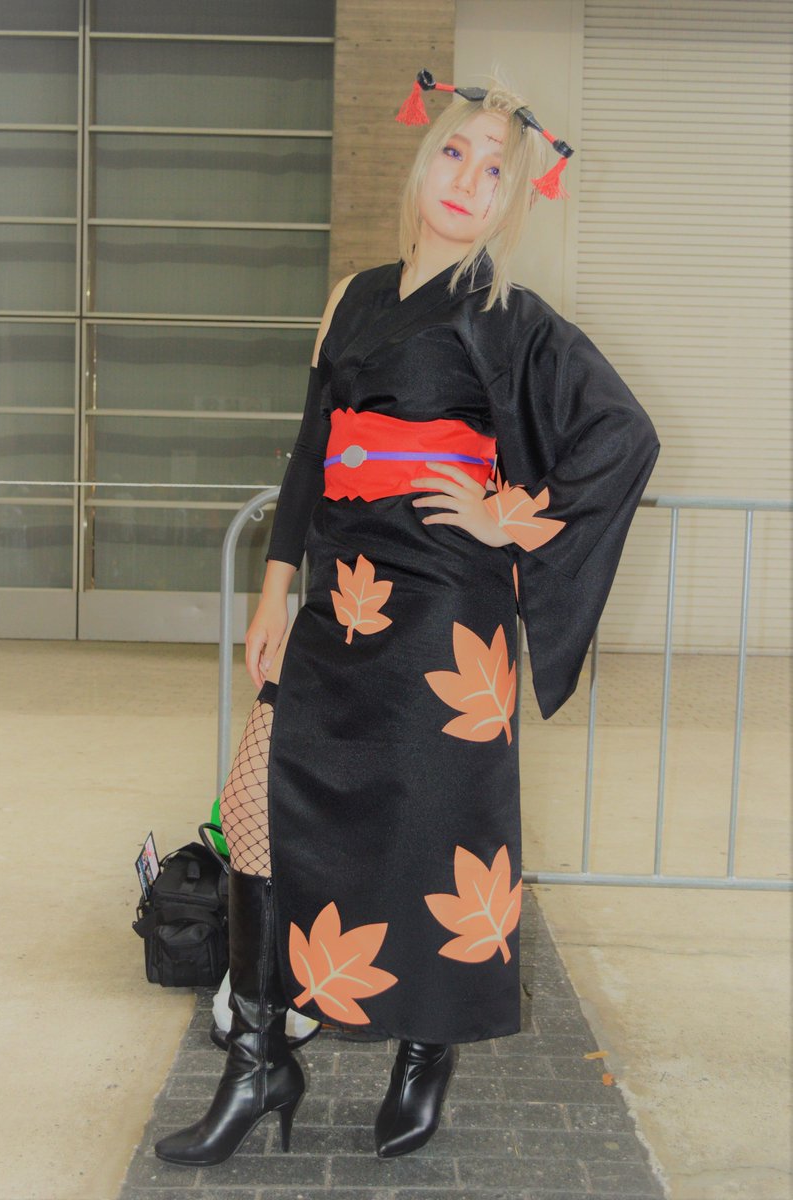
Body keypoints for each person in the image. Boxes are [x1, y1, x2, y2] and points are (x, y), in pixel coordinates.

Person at [155, 73, 660, 1167]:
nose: (469, 180)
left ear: (512, 200)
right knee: (254, 805)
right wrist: (274, 590)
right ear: (424, 162)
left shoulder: (507, 314)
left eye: (496, 170)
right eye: (456, 153)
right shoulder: (353, 296)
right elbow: (310, 451)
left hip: (443, 613)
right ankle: (260, 1060)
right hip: (337, 600)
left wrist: (504, 516)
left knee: (439, 830)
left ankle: (425, 1051)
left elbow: (623, 434)